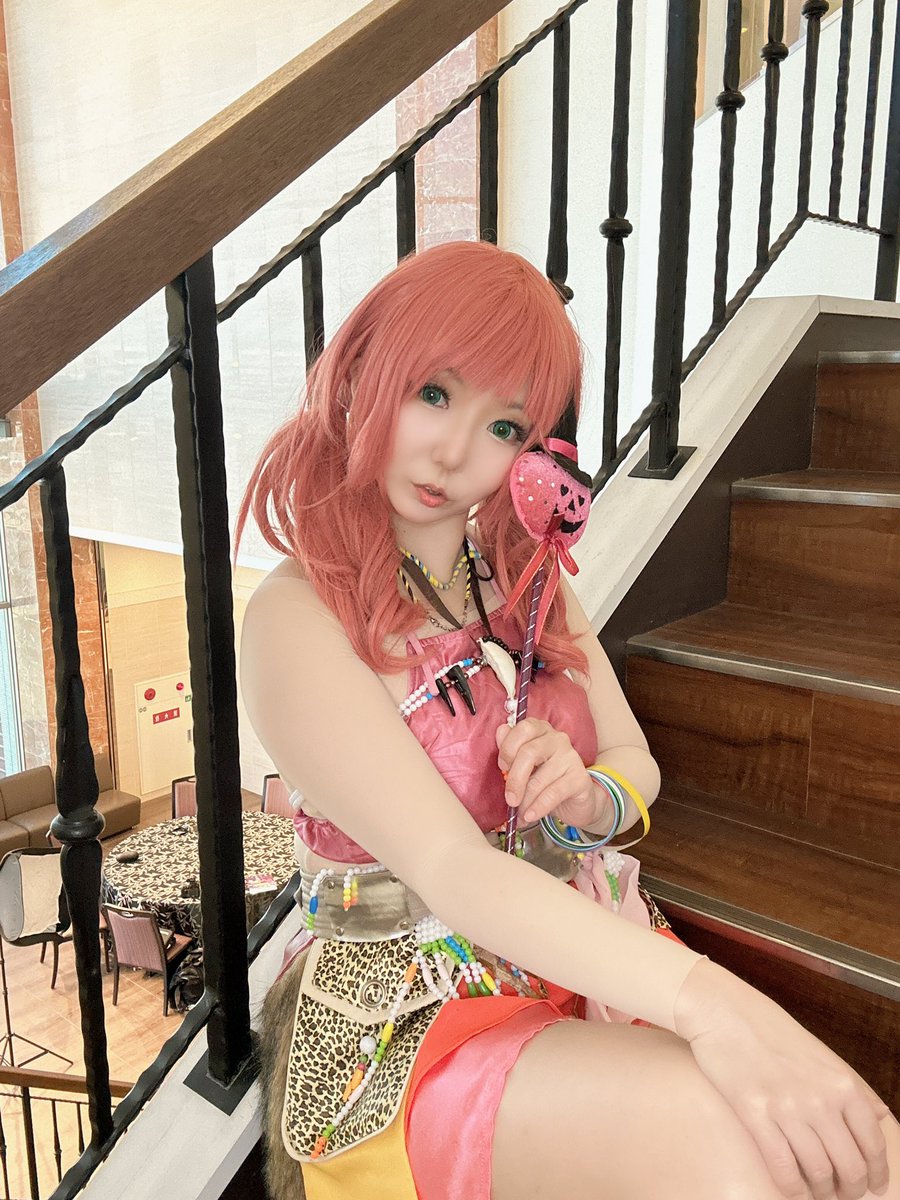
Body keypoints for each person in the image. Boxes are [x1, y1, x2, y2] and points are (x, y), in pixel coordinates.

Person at [237, 240, 898, 1200]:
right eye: (433, 393)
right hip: (402, 1003)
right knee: (745, 1133)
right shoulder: (296, 618)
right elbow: (452, 869)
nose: (455, 453)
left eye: (503, 425)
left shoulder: (528, 578)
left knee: (846, 1153)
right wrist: (721, 1005)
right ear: (365, 369)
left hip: (576, 940)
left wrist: (586, 796)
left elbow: (635, 765)